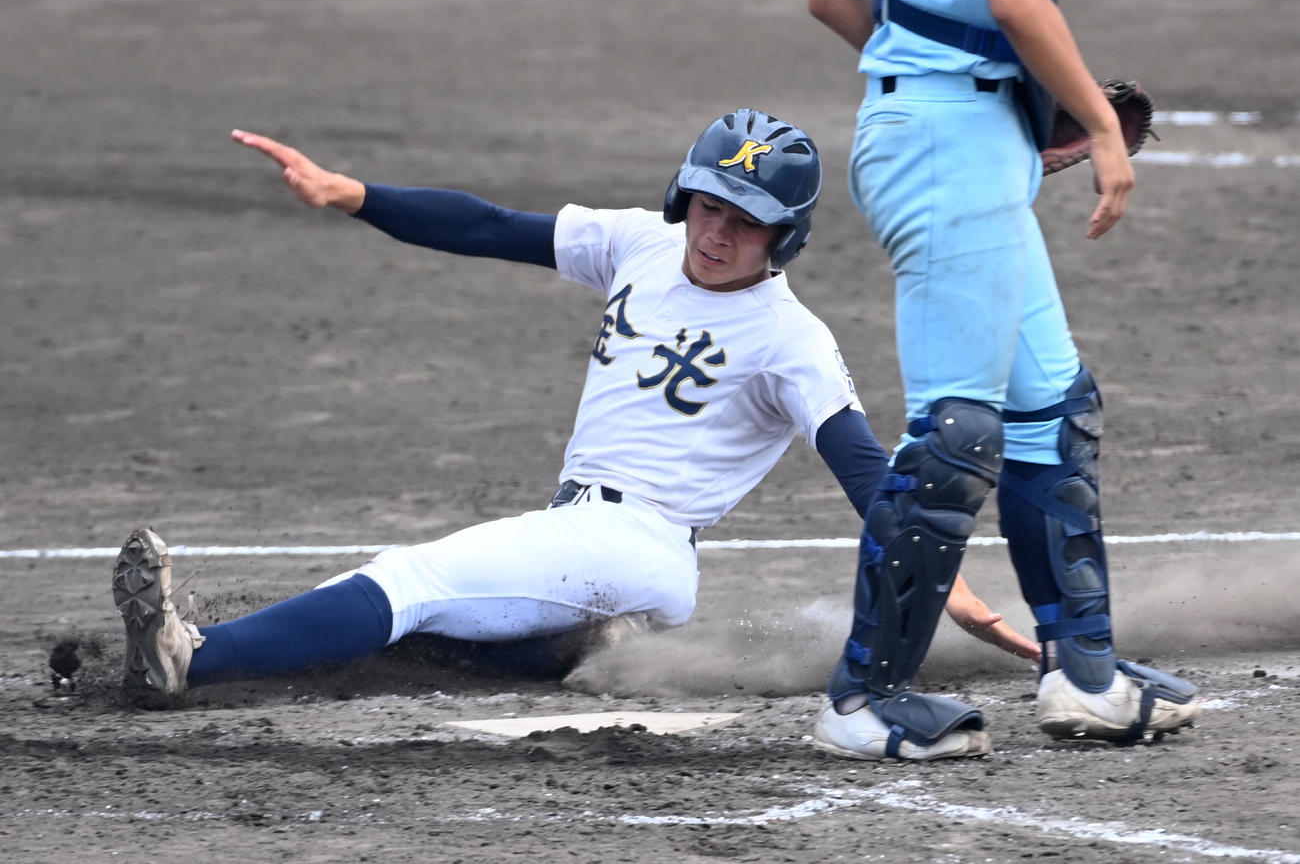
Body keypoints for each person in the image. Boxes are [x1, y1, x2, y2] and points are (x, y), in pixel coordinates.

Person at [111, 109, 1037, 709]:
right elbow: (487, 225)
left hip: (640, 541)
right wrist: (349, 193)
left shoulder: (791, 337)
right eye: (711, 205)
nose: (718, 233)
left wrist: (944, 582)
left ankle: (193, 657)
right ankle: (582, 647)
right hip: (588, 536)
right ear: (687, 196)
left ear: (783, 236)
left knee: (415, 578)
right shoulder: (639, 242)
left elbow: (865, 467)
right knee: (438, 627)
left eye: (746, 220)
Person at [806, 0, 1201, 761]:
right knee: (956, 432)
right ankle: (860, 697)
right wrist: (1087, 128)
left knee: (1048, 405)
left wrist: (931, 72)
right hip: (949, 146)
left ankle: (1083, 673)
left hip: (934, 129)